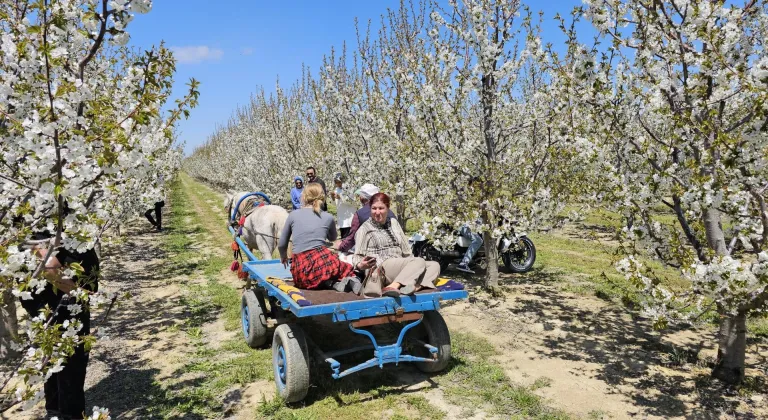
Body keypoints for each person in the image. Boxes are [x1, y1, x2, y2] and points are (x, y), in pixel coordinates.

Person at [20, 238, 99, 420]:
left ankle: (55, 412)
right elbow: (48, 265)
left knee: (53, 357)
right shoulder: (45, 216)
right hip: (62, 303)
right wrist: (80, 294)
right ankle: (68, 415)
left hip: (57, 301)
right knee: (71, 362)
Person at [277, 183, 362, 293]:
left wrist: (283, 256)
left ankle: (330, 283)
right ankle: (353, 279)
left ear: (304, 196)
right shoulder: (328, 217)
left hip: (301, 273)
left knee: (316, 271)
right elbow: (332, 238)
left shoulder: (293, 215)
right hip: (323, 265)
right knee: (341, 265)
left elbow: (282, 244)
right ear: (322, 197)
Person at [351, 193, 438, 297]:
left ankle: (414, 286)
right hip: (381, 268)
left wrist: (413, 266)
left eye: (381, 208)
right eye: (374, 208)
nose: (377, 212)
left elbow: (406, 249)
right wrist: (361, 265)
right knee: (419, 261)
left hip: (400, 265)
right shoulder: (364, 229)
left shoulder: (394, 223)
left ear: (388, 208)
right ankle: (393, 286)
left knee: (434, 265)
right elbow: (357, 257)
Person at [335, 183, 396, 253]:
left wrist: (341, 246)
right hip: (393, 251)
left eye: (360, 195)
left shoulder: (360, 214)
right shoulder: (390, 212)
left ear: (362, 197)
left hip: (371, 253)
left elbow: (351, 239)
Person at [329, 173, 356, 238]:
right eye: (336, 182)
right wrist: (332, 197)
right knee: (343, 238)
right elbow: (334, 204)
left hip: (349, 219)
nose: (338, 184)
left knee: (350, 239)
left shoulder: (350, 189)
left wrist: (340, 197)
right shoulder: (336, 190)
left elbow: (352, 202)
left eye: (339, 182)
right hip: (341, 219)